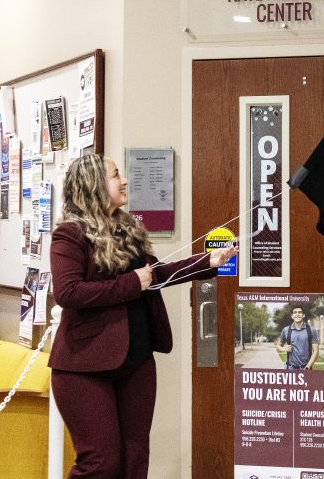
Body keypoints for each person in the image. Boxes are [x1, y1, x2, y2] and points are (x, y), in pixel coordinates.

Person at [49, 154, 237, 478]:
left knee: (135, 462)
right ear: (92, 186)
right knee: (101, 464)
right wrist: (130, 283)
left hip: (136, 362)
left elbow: (156, 275)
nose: (124, 181)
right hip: (84, 368)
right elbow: (68, 293)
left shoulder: (127, 230)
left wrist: (208, 262)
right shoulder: (69, 235)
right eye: (115, 175)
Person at [276, 305, 320, 370]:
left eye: (299, 312)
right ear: (292, 316)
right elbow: (278, 346)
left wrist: (308, 367)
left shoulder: (311, 330)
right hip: (290, 369)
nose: (297, 314)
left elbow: (316, 351)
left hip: (306, 368)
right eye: (295, 312)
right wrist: (283, 349)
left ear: (303, 315)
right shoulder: (286, 330)